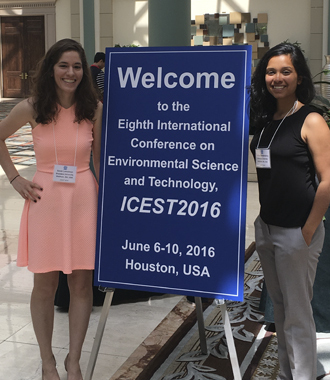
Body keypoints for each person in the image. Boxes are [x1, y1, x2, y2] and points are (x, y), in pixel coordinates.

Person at [0, 38, 102, 380]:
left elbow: (100, 164)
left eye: (76, 66)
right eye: (63, 65)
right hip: (45, 200)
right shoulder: (32, 107)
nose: (70, 72)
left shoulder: (93, 109)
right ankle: (47, 362)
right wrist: (15, 178)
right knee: (44, 286)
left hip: (84, 200)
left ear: (83, 71)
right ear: (51, 69)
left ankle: (74, 361)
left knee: (82, 286)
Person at [250, 42, 330, 380]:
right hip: (267, 227)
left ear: (299, 77)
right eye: (271, 71)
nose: (277, 77)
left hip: (298, 230)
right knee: (280, 308)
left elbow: (328, 180)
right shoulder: (267, 119)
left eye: (286, 71)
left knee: (298, 312)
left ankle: (304, 375)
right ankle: (288, 372)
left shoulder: (310, 119)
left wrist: (308, 230)